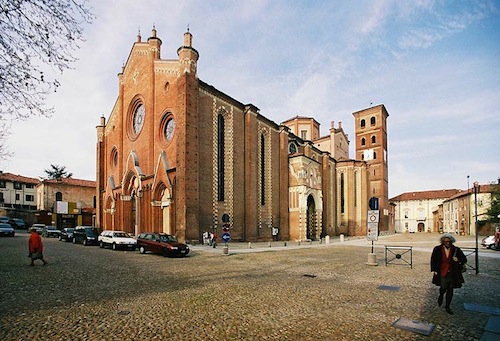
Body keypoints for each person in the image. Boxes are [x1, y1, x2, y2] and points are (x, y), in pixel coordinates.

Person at [430, 233, 466, 314]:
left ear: (451, 241)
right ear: (442, 241)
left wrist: (458, 260)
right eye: (446, 241)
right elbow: (433, 259)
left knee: (450, 289)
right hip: (442, 271)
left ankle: (447, 306)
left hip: (453, 272)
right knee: (443, 287)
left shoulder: (456, 249)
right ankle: (441, 295)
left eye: (449, 241)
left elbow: (464, 259)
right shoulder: (437, 249)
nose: (447, 243)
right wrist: (434, 269)